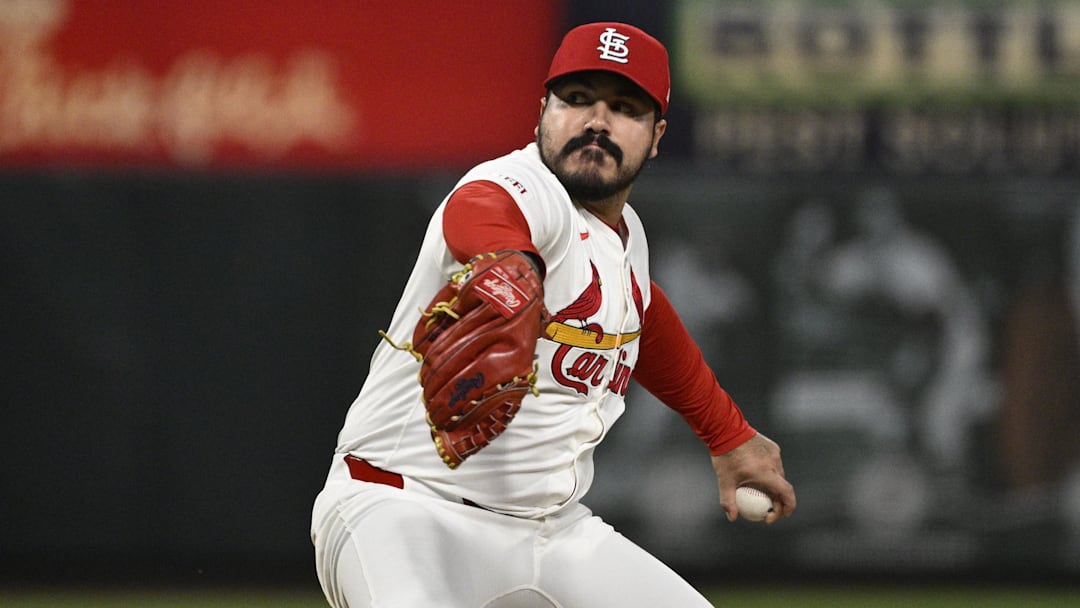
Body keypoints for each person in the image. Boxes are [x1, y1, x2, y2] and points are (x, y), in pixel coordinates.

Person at [311, 22, 795, 608]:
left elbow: (646, 316)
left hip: (550, 530)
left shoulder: (625, 239)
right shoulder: (517, 187)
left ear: (656, 135)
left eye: (624, 108)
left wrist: (729, 434)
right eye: (576, 99)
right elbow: (482, 213)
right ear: (542, 110)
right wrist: (508, 273)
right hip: (404, 506)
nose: (596, 120)